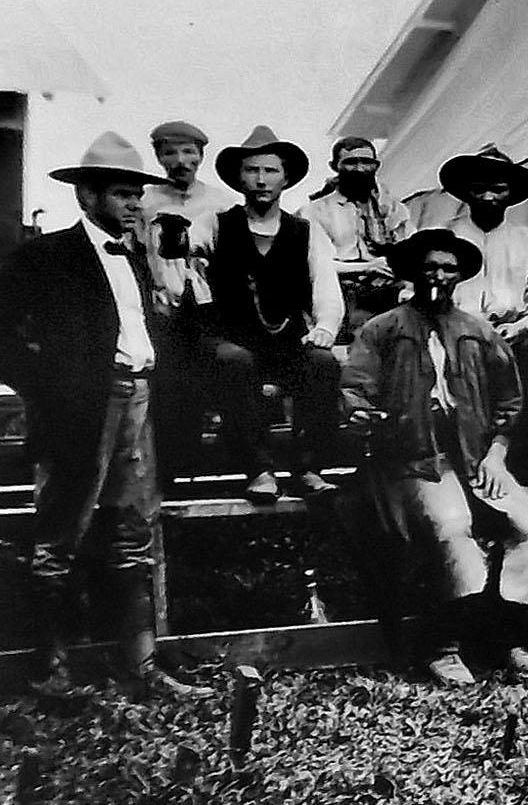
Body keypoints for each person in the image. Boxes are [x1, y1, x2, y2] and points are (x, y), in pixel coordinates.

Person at [0, 134, 212, 698]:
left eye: (137, 194)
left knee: (135, 531)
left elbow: (149, 331)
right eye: (121, 194)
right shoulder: (46, 257)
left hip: (140, 402)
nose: (134, 205)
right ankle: (50, 668)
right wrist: (49, 386)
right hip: (81, 410)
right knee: (61, 533)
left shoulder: (140, 254)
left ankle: (141, 665)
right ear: (85, 196)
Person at [341, 228, 528, 686]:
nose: (438, 276)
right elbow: (355, 387)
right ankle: (445, 645)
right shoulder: (384, 329)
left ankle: (508, 637)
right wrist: (363, 415)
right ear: (414, 273)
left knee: (525, 524)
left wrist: (496, 456)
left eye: (448, 268)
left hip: (476, 455)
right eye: (430, 267)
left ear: (460, 276)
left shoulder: (477, 330)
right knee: (453, 527)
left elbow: (510, 401)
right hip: (414, 458)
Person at [188, 126, 345, 503]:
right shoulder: (214, 224)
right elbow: (189, 275)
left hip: (285, 340)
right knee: (235, 361)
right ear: (239, 178)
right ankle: (258, 468)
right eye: (252, 170)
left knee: (322, 363)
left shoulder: (305, 231)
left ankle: (309, 467)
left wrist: (324, 327)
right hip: (229, 339)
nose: (261, 180)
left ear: (286, 178)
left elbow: (325, 285)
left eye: (271, 171)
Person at [438, 144, 528, 483]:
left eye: (498, 188)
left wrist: (520, 328)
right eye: (480, 188)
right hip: (451, 334)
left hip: (508, 336)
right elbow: (418, 293)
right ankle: (456, 456)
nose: (489, 197)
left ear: (510, 194)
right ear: (465, 192)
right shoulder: (443, 237)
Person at [140, 119, 232, 488]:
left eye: (188, 152)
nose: (180, 160)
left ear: (200, 156)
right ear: (159, 156)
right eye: (171, 152)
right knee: (168, 382)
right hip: (160, 303)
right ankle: (168, 468)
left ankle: (210, 463)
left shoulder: (220, 202)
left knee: (210, 373)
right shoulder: (145, 199)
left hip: (208, 304)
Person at [305, 135, 414, 338]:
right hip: (344, 295)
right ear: (334, 165)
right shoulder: (316, 211)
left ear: (377, 165)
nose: (360, 169)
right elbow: (320, 265)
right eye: (350, 162)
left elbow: (414, 253)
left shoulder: (395, 209)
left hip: (392, 292)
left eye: (367, 162)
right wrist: (367, 267)